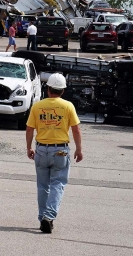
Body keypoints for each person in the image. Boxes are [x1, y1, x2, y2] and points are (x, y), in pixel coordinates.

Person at [25, 73, 83, 234]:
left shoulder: (37, 106)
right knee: (58, 184)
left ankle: (42, 216)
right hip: (60, 151)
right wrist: (79, 149)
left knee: (42, 186)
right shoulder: (68, 106)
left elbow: (30, 128)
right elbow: (76, 129)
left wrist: (29, 147)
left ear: (48, 89)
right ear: (62, 91)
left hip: (42, 150)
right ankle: (48, 217)